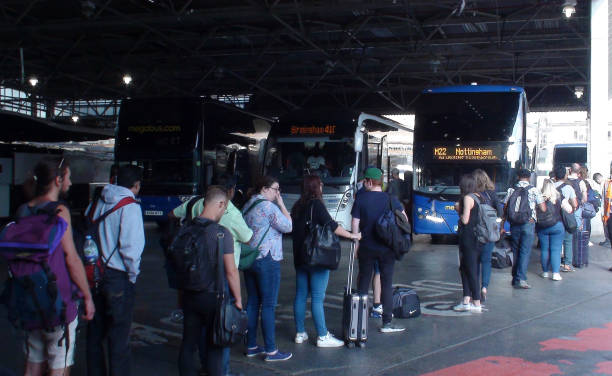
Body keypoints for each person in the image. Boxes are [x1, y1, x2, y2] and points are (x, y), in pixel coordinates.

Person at [15, 159, 95, 376]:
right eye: (67, 177)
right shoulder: (59, 210)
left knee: (32, 363)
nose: (70, 182)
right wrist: (87, 296)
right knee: (59, 364)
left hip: (29, 294)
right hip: (56, 299)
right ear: (58, 180)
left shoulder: (24, 209)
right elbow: (71, 258)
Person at [170, 175, 253, 375]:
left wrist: (180, 296)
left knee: (188, 344)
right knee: (215, 345)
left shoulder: (186, 229)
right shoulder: (221, 233)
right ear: (221, 204)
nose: (224, 211)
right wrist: (239, 300)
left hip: (189, 294)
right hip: (214, 296)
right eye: (224, 208)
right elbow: (231, 271)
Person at [86, 165, 145, 376]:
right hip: (117, 278)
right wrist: (132, 276)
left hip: (94, 274)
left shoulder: (97, 201)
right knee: (119, 337)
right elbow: (131, 249)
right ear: (136, 185)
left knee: (94, 334)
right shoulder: (129, 206)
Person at [290, 175, 361, 347]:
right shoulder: (316, 205)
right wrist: (353, 235)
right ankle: (322, 336)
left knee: (300, 296)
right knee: (317, 297)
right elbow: (333, 226)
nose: (322, 187)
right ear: (316, 187)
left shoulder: (297, 206)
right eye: (321, 185)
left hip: (300, 257)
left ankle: (300, 333)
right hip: (316, 258)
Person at [242, 176, 293, 361]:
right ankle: (271, 350)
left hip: (251, 258)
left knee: (253, 303)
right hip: (268, 258)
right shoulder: (268, 207)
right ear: (264, 189)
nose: (277, 193)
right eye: (275, 189)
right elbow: (288, 226)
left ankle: (251, 345)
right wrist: (282, 204)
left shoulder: (248, 204)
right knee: (269, 305)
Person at [351, 167, 407, 332]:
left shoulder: (361, 199)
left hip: (366, 247)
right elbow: (403, 218)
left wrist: (356, 245)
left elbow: (355, 224)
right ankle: (387, 323)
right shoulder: (390, 199)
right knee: (386, 283)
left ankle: (359, 323)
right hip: (386, 248)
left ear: (368, 181)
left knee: (363, 282)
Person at [502, 168, 545, 289]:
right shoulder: (534, 190)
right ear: (529, 177)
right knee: (525, 251)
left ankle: (515, 278)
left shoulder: (511, 190)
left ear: (518, 177)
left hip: (514, 224)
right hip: (528, 223)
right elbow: (543, 208)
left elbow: (505, 208)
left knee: (515, 251)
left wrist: (502, 225)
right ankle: (521, 279)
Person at [453, 174, 484, 312]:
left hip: (468, 237)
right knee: (467, 268)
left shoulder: (467, 198)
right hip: (478, 237)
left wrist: (457, 210)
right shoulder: (479, 197)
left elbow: (465, 220)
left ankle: (476, 302)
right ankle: (466, 299)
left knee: (469, 269)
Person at [472, 169, 501, 301]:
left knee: (475, 262)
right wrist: (497, 226)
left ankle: (475, 289)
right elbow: (500, 213)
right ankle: (484, 287)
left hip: (475, 233)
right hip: (489, 233)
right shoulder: (492, 195)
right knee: (486, 260)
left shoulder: (472, 195)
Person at [537, 179, 565, 281]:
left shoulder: (539, 197)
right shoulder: (558, 197)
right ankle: (555, 273)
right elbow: (569, 209)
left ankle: (545, 272)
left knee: (544, 249)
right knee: (556, 250)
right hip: (557, 225)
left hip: (542, 227)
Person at [554, 166, 578, 273]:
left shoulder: (550, 187)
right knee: (567, 241)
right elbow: (575, 204)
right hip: (565, 217)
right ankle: (567, 264)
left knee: (555, 241)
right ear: (565, 176)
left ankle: (555, 263)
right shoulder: (569, 188)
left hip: (553, 218)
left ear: (554, 176)